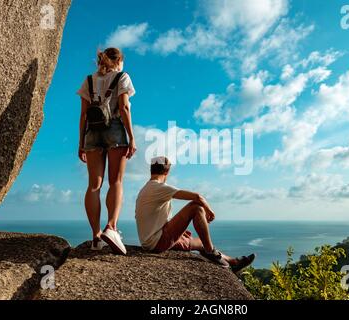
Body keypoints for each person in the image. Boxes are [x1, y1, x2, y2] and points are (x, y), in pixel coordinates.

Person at [135, 156, 255, 273]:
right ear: (167, 171)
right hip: (158, 242)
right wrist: (209, 210)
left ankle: (232, 262)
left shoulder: (145, 190)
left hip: (149, 242)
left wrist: (177, 232)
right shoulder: (159, 187)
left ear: (151, 170)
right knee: (196, 207)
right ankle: (210, 251)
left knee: (202, 241)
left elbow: (151, 220)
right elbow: (197, 197)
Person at [77, 47, 137, 254]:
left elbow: (83, 114)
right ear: (119, 61)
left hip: (91, 132)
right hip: (114, 129)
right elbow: (124, 107)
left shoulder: (88, 80)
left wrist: (80, 143)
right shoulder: (122, 76)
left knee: (94, 185)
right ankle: (111, 227)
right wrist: (131, 137)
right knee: (116, 181)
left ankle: (95, 237)